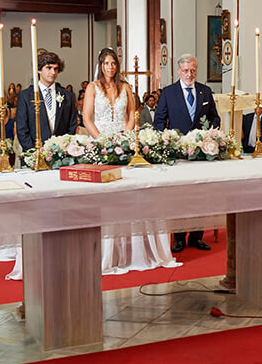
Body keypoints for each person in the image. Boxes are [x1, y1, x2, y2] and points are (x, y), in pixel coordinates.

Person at [83, 47, 180, 275]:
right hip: (102, 144)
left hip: (124, 142)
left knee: (128, 192)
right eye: (106, 63)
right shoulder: (92, 87)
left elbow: (131, 115)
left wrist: (126, 137)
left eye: (113, 63)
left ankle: (135, 248)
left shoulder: (125, 87)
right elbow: (87, 118)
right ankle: (108, 252)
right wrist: (102, 141)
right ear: (100, 65)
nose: (110, 67)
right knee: (107, 198)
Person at [154, 54, 220, 253]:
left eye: (193, 70)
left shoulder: (205, 91)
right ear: (178, 71)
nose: (189, 74)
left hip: (201, 153)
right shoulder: (168, 93)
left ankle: (197, 236)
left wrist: (209, 135)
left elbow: (215, 118)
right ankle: (180, 237)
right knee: (179, 197)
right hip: (179, 154)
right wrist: (166, 140)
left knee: (200, 196)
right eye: (186, 70)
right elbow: (159, 121)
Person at [16, 51, 78, 151]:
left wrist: (62, 149)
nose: (53, 72)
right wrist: (34, 152)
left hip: (60, 155)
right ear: (39, 70)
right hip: (34, 155)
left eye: (56, 69)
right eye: (49, 68)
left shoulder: (67, 96)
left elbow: (72, 126)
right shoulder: (25, 96)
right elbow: (22, 129)